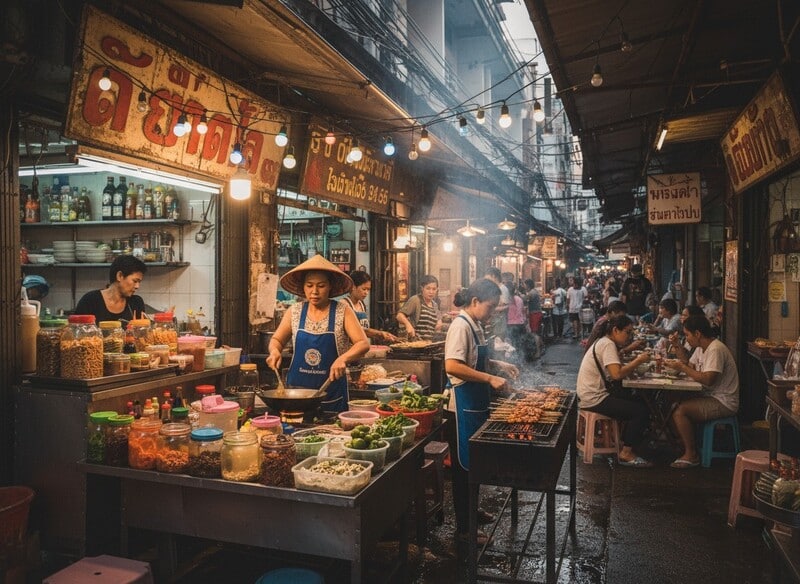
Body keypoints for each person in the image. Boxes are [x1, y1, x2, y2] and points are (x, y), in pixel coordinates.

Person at [445, 278, 519, 545]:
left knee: (474, 463)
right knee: (463, 468)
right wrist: (489, 379)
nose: (491, 314)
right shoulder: (460, 325)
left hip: (475, 404)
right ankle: (464, 530)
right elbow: (453, 365)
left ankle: (472, 511)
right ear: (475, 302)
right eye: (490, 308)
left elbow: (475, 358)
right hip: (460, 406)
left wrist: (498, 365)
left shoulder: (476, 324)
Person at [266, 255, 369, 413]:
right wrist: (274, 351)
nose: (314, 291)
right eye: (309, 286)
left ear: (330, 287)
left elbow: (363, 343)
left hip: (331, 394)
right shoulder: (294, 311)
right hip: (296, 395)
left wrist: (343, 358)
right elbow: (277, 339)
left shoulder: (343, 311)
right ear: (303, 287)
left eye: (321, 286)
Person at [577, 315, 654, 467]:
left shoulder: (603, 342)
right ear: (615, 330)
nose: (629, 336)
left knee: (640, 400)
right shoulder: (607, 344)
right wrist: (638, 361)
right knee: (641, 411)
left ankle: (624, 441)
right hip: (595, 398)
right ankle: (626, 452)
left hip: (590, 394)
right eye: (627, 332)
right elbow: (616, 374)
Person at [665, 315, 739, 468]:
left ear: (697, 334)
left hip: (723, 401)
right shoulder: (701, 348)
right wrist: (677, 346)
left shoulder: (715, 349)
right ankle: (683, 441)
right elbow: (688, 364)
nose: (687, 339)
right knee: (671, 399)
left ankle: (691, 454)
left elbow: (708, 379)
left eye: (687, 335)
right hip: (709, 395)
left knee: (680, 411)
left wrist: (682, 368)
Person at [75, 255, 147, 324]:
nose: (137, 286)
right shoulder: (90, 301)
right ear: (120, 276)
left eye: (139, 282)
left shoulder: (136, 303)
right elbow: (77, 331)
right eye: (135, 281)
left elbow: (141, 332)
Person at [343, 270, 398, 344]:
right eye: (364, 289)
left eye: (368, 290)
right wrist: (379, 333)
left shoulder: (361, 304)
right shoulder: (344, 304)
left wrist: (380, 335)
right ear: (353, 287)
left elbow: (365, 330)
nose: (366, 293)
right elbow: (355, 330)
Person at [396, 275, 443, 340]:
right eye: (428, 288)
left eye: (434, 289)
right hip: (415, 343)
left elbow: (439, 321)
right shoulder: (415, 300)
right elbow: (399, 315)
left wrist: (439, 323)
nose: (431, 292)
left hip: (428, 344)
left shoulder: (435, 305)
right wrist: (408, 325)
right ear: (422, 288)